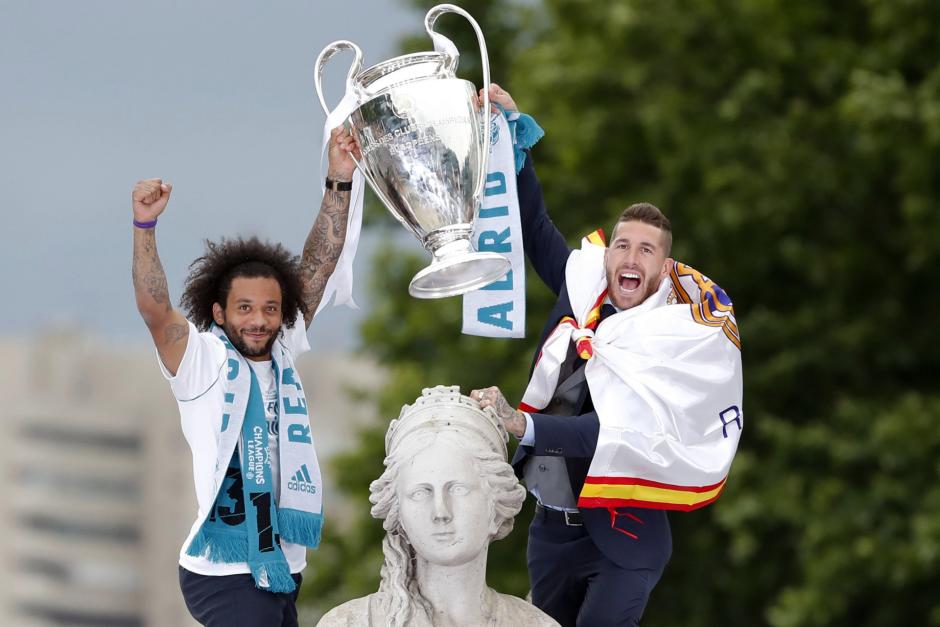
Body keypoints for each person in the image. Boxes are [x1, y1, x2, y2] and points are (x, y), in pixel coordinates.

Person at [472, 85, 743, 627]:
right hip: (550, 532)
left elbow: (606, 432)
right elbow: (534, 229)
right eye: (623, 244)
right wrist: (510, 142)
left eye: (647, 249)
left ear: (663, 269)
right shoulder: (583, 287)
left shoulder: (671, 336)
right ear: (609, 250)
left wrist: (517, 423)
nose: (631, 256)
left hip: (623, 538)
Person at [131, 126, 360, 627]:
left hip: (281, 565)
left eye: (271, 309)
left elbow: (321, 261)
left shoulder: (284, 349)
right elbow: (154, 309)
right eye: (246, 308)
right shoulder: (200, 360)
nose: (259, 320)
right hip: (224, 568)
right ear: (219, 310)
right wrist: (144, 227)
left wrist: (338, 179)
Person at [318, 386, 559, 627]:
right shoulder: (348, 622)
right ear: (397, 510)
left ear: (497, 501)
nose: (441, 512)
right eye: (421, 493)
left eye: (458, 489)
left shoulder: (534, 623)